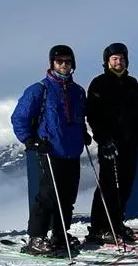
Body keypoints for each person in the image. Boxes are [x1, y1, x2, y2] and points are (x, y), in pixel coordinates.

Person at [10, 45, 90, 255]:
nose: (63, 65)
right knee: (48, 195)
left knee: (68, 197)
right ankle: (36, 237)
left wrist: (83, 133)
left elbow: (79, 118)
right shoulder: (40, 89)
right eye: (59, 61)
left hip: (72, 149)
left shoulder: (78, 92)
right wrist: (30, 140)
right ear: (52, 64)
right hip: (50, 149)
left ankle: (60, 234)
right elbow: (19, 117)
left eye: (67, 61)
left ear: (73, 64)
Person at [84, 42, 138, 244]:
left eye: (121, 58)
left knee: (126, 185)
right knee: (109, 185)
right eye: (114, 58)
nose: (118, 62)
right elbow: (93, 114)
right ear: (107, 61)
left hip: (130, 141)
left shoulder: (132, 83)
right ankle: (99, 227)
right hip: (110, 142)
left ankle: (117, 223)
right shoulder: (99, 83)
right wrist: (103, 138)